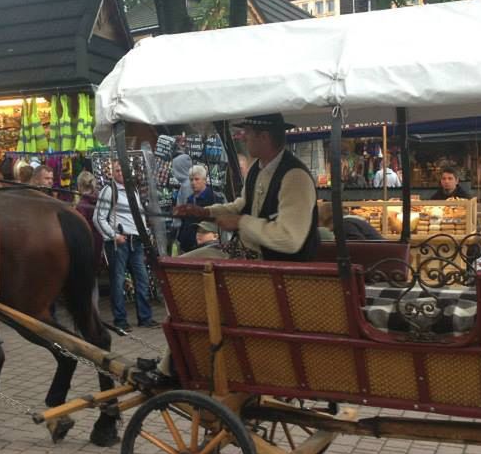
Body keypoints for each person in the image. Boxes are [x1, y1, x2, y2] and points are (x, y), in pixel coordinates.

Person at [174, 113, 319, 261]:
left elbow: (290, 239)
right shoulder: (256, 169)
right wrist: (205, 212)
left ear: (264, 137)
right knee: (180, 265)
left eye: (247, 133)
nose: (243, 138)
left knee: (185, 269)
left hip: (280, 269)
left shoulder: (295, 177)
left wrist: (240, 222)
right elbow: (241, 206)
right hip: (248, 256)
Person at [94, 160, 157, 332]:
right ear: (112, 173)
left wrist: (145, 235)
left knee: (142, 280)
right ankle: (120, 321)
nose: (120, 172)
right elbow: (98, 218)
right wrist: (114, 236)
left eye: (123, 169)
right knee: (118, 282)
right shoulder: (109, 191)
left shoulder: (133, 190)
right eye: (117, 170)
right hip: (119, 243)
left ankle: (145, 318)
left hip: (135, 242)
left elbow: (139, 216)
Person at [177, 164, 218, 253]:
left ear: (204, 180)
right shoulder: (190, 199)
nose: (193, 183)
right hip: (186, 246)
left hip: (203, 247)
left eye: (196, 179)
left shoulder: (213, 198)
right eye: (191, 180)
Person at [74, 170, 104, 272]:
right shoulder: (101, 200)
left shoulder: (81, 205)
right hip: (104, 242)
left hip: (89, 245)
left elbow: (81, 229)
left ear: (79, 186)